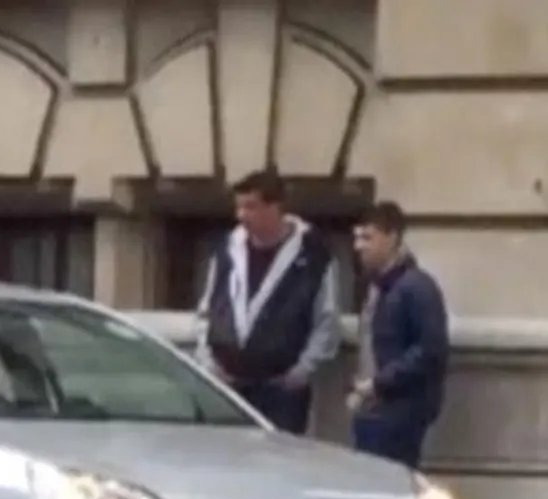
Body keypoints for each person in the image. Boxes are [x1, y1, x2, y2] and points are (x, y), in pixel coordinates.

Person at [192, 169, 341, 435]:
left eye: (251, 207)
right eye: (239, 207)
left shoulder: (313, 255)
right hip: (227, 384)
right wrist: (208, 362)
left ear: (275, 208)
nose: (241, 216)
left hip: (281, 390)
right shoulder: (227, 249)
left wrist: (301, 371)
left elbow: (326, 319)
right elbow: (207, 310)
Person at [347, 201, 450, 469]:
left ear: (392, 238)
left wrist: (379, 383)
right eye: (357, 237)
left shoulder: (417, 287)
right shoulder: (375, 285)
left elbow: (430, 349)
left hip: (400, 409)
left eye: (368, 237)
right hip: (373, 406)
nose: (359, 246)